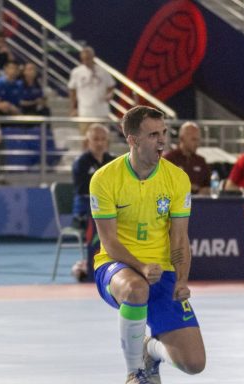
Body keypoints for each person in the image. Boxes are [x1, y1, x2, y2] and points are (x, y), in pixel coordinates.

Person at [90, 106, 205, 384]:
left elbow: (179, 238)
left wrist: (181, 280)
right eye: (153, 134)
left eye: (164, 133)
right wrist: (140, 266)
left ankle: (149, 350)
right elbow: (109, 241)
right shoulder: (104, 179)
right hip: (116, 267)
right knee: (136, 288)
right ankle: (135, 373)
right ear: (133, 139)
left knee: (194, 363)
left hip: (162, 271)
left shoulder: (177, 179)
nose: (162, 140)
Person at [72, 123, 115, 229]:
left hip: (108, 207)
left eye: (103, 139)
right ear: (87, 142)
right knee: (102, 221)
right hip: (85, 209)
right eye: (95, 139)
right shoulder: (81, 162)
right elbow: (84, 189)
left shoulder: (113, 162)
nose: (100, 143)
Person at [68, 46, 115, 135]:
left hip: (101, 111)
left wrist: (109, 95)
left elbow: (111, 86)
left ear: (93, 57)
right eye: (84, 59)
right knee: (85, 137)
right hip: (85, 112)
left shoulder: (103, 71)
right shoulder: (76, 72)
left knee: (104, 137)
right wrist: (73, 108)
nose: (86, 61)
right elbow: (72, 91)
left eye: (88, 58)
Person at [163, 121, 211, 195]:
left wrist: (205, 191)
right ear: (182, 139)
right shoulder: (169, 159)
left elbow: (208, 187)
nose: (197, 144)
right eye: (193, 139)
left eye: (198, 140)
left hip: (198, 204)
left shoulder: (201, 161)